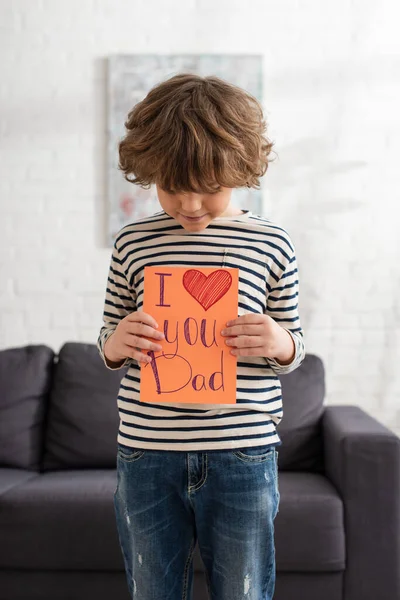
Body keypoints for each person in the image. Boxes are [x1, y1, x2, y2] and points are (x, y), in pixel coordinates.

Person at [97, 73, 306, 600]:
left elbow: (295, 344)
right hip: (146, 450)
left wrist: (276, 341)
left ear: (240, 170)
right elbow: (107, 337)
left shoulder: (271, 242)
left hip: (242, 449)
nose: (189, 205)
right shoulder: (134, 243)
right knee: (152, 589)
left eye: (208, 188)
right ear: (150, 175)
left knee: (244, 589)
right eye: (172, 187)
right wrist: (119, 340)